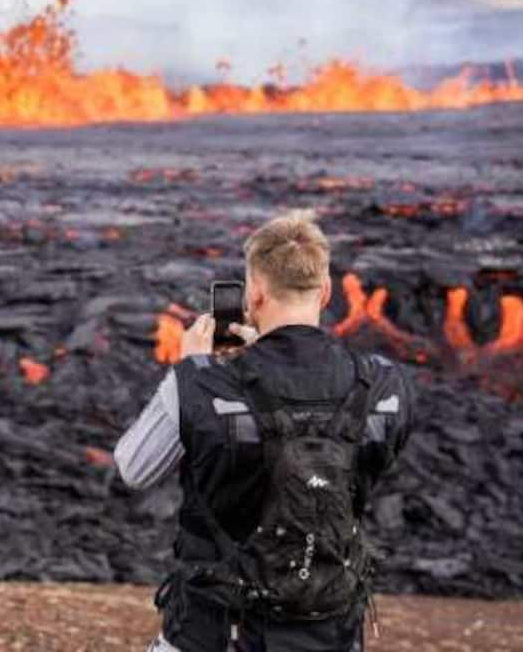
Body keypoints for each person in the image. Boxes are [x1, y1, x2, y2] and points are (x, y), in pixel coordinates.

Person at [114, 214, 415, 652]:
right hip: (329, 631)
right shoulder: (385, 384)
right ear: (326, 291)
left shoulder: (204, 384)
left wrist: (188, 372)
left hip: (213, 632)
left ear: (253, 294)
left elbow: (133, 468)